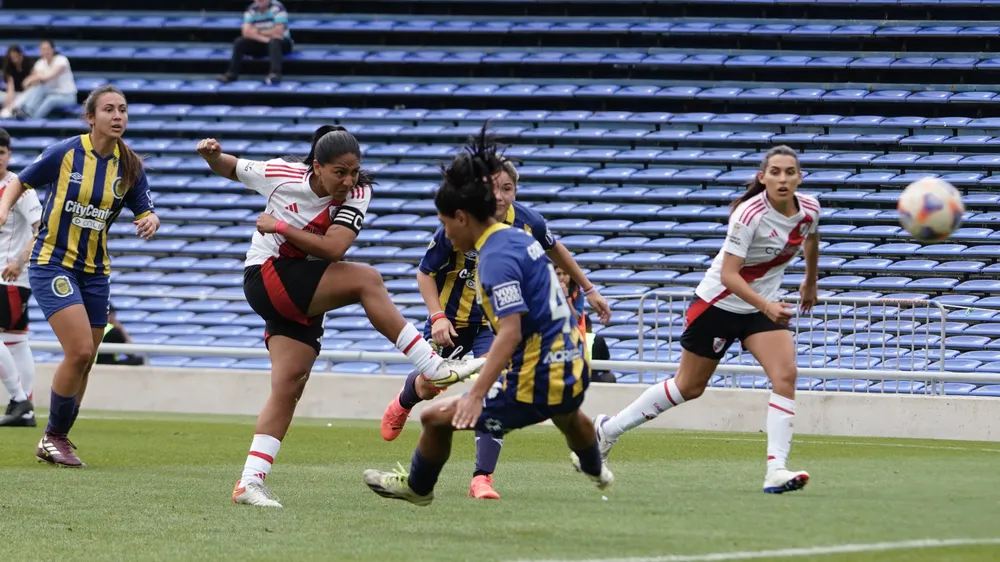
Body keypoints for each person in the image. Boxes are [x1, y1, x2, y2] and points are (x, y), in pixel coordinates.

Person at [195, 125, 485, 509]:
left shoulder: (359, 192)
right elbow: (232, 167)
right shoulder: (282, 175)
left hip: (303, 285)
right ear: (316, 167)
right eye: (340, 172)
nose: (348, 181)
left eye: (354, 171)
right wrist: (212, 155)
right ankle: (430, 367)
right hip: (266, 276)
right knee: (366, 279)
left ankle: (249, 482)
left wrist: (279, 225)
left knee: (289, 386)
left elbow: (334, 247)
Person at [364, 128, 612, 506]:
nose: (446, 233)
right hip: (573, 362)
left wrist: (476, 395)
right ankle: (596, 469)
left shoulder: (494, 260)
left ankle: (419, 487)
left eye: (446, 224)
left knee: (434, 419)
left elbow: (510, 333)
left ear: (462, 218)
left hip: (536, 375)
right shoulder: (521, 237)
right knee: (568, 414)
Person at [592, 145, 819, 494]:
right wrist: (767, 305)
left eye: (790, 172)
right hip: (718, 304)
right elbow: (729, 275)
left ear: (799, 177)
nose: (783, 178)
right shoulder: (749, 214)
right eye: (775, 171)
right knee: (689, 387)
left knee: (786, 375)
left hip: (759, 310)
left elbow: (811, 238)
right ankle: (608, 429)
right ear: (763, 177)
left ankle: (776, 469)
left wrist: (810, 281)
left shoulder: (810, 209)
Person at [0, 85, 159, 465]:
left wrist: (150, 218)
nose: (118, 116)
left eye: (122, 109)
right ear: (91, 117)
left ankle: (57, 439)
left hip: (95, 271)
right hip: (52, 262)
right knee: (81, 350)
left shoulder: (130, 164)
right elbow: (21, 179)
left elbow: (144, 209)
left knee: (87, 359)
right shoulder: (65, 152)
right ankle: (53, 436)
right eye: (109, 109)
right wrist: (4, 208)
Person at [0, 128, 41, 427]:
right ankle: (24, 408)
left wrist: (19, 259)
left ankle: (19, 399)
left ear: (9, 154)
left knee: (14, 340)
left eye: (1, 152)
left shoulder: (20, 187)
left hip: (10, 276)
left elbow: (43, 229)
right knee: (16, 341)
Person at [218, 0, 293, 86]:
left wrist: (257, 31)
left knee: (275, 42)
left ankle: (275, 74)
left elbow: (278, 32)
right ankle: (232, 74)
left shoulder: (277, 7)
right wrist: (266, 39)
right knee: (239, 42)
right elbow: (246, 32)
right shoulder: (251, 10)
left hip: (282, 43)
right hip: (263, 42)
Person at [11, 40, 77, 119]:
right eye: (43, 49)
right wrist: (32, 79)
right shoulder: (40, 63)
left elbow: (49, 76)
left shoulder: (62, 60)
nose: (45, 51)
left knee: (50, 99)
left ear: (53, 49)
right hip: (48, 93)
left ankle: (32, 118)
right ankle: (24, 110)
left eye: (47, 49)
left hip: (67, 96)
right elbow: (32, 80)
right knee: (37, 88)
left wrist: (32, 78)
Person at [1, 45, 31, 118]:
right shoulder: (9, 68)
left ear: (21, 55)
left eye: (16, 56)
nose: (15, 60)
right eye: (12, 58)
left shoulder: (29, 65)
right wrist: (9, 102)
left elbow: (31, 87)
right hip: (14, 94)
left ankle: (13, 110)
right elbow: (10, 88)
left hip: (26, 94)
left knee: (22, 100)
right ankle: (9, 109)